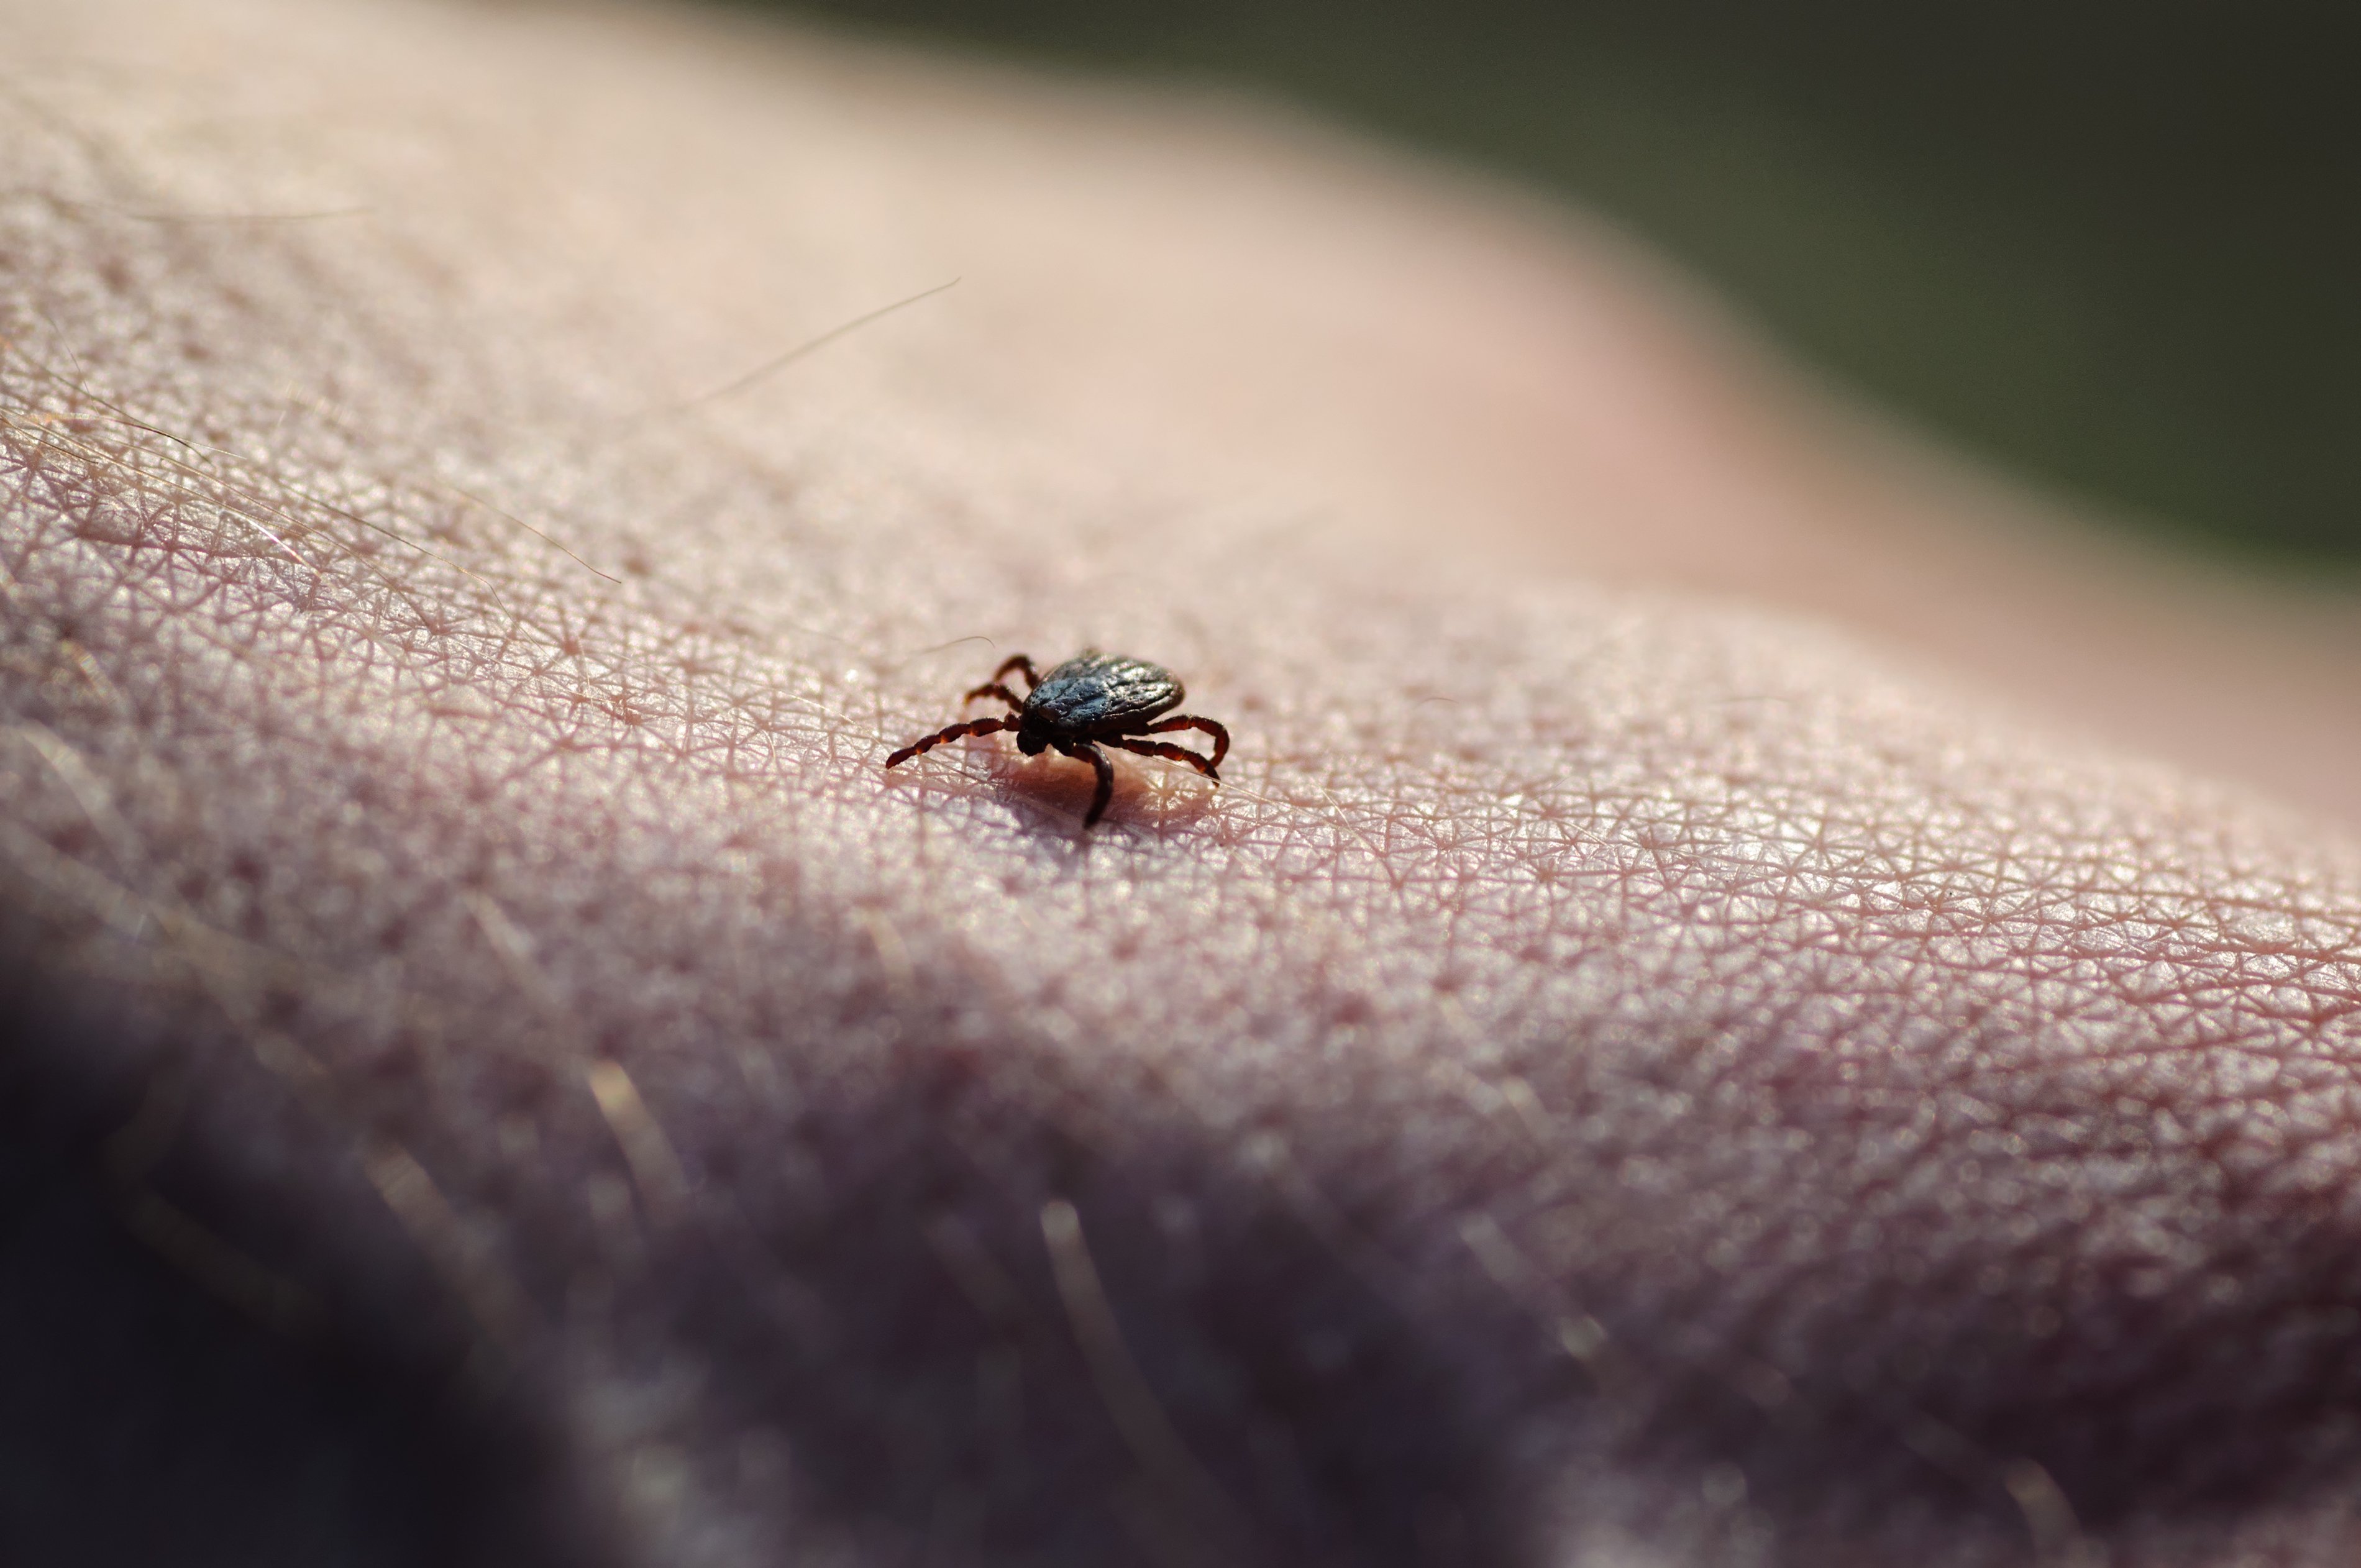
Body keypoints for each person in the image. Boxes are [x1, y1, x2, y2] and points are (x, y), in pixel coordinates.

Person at [4, 0, 2358, 1562]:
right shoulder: (1055, 721)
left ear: (1098, 737)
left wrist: (1121, 772)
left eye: (1063, 748)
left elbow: (1134, 730)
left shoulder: (1109, 730)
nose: (1044, 759)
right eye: (1042, 741)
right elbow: (1066, 709)